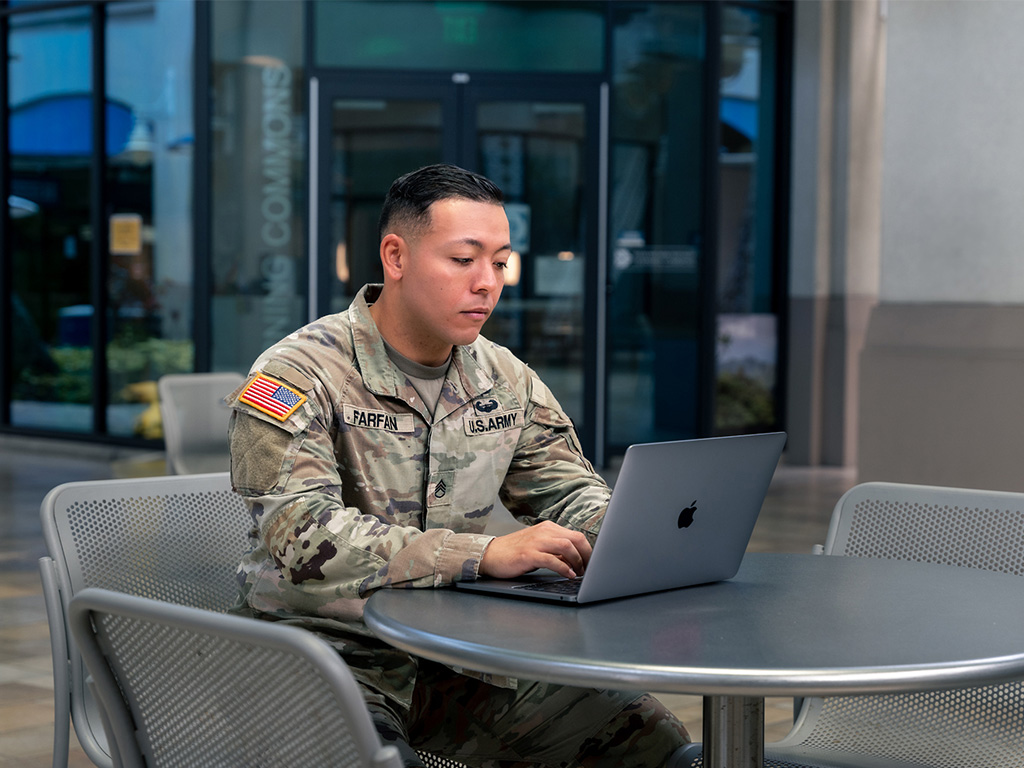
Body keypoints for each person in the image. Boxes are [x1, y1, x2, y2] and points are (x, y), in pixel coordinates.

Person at [227, 164, 692, 767]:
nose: (487, 284)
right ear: (395, 256)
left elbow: (567, 489)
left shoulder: (502, 376)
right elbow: (301, 534)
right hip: (321, 650)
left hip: (454, 653)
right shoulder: (295, 374)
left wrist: (631, 536)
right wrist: (480, 553)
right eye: (463, 259)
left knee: (649, 740)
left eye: (500, 262)